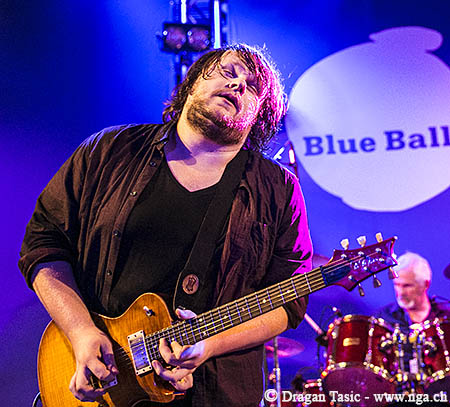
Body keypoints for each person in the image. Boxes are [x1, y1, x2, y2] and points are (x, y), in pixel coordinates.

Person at [19, 44, 312, 407]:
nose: (238, 85)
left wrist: (208, 345)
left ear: (260, 115)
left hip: (214, 395)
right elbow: (43, 245)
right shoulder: (109, 151)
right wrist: (80, 332)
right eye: (228, 72)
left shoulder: (278, 190)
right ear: (192, 82)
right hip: (103, 385)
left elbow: (287, 302)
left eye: (253, 87)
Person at [377, 252, 450, 375]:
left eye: (407, 286)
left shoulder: (446, 316)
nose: (400, 292)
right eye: (397, 285)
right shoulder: (383, 318)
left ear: (426, 284)